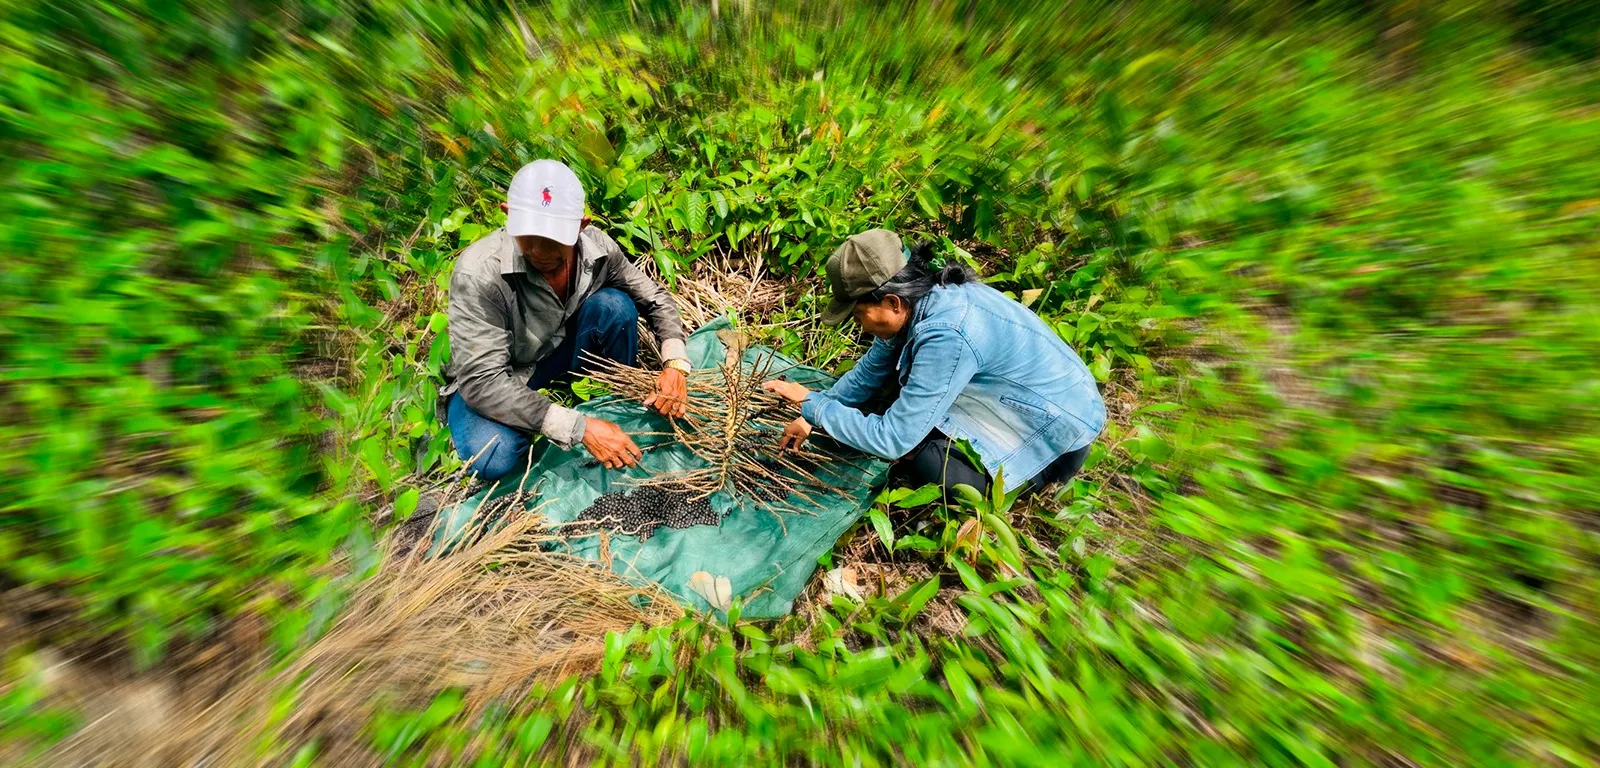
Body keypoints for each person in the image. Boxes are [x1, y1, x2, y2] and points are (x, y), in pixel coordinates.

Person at [763, 229, 1106, 498]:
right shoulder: (921, 300)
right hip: (1019, 402)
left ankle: (1023, 482)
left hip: (1053, 436)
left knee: (928, 463)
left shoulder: (947, 333)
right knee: (887, 392)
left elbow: (892, 440)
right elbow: (870, 372)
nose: (860, 327)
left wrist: (815, 404)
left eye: (857, 314)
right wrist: (814, 417)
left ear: (892, 302)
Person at [439, 159, 692, 481]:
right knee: (492, 457)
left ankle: (611, 405)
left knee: (615, 307)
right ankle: (575, 424)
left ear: (582, 225)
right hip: (503, 375)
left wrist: (675, 363)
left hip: (558, 349)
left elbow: (654, 297)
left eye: (554, 239)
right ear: (507, 213)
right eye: (528, 235)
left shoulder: (597, 249)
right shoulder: (478, 273)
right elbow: (483, 380)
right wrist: (577, 428)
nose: (539, 250)